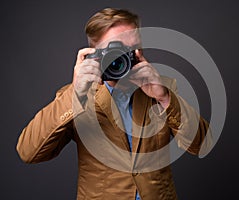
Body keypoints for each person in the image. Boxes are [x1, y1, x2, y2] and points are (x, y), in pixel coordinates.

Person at [16, 8, 213, 200]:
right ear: (94, 54)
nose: (125, 58)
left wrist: (164, 98)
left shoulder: (163, 88)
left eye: (133, 49)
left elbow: (203, 145)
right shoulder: (75, 97)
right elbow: (28, 152)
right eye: (116, 49)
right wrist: (75, 95)